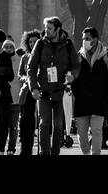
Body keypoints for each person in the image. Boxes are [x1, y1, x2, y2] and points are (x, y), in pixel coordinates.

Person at [27, 15, 79, 155]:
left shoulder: (68, 45)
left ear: (58, 29)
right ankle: (44, 151)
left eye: (50, 29)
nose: (46, 31)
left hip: (61, 91)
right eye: (46, 28)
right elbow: (31, 67)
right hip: (44, 90)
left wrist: (72, 75)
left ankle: (55, 151)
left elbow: (76, 65)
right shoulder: (40, 44)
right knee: (44, 123)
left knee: (58, 125)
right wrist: (33, 87)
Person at [70, 26, 108, 154]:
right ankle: (86, 153)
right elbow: (73, 77)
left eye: (87, 38)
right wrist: (76, 93)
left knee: (97, 130)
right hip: (81, 101)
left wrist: (106, 97)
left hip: (99, 101)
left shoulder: (106, 56)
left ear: (95, 39)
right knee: (81, 133)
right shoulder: (78, 56)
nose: (84, 41)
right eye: (83, 38)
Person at [16, 29, 41, 155]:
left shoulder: (44, 56)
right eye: (30, 42)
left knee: (42, 123)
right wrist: (26, 78)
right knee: (27, 123)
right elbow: (19, 74)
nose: (32, 44)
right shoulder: (25, 57)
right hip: (27, 93)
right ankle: (25, 150)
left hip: (41, 92)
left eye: (35, 41)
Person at [2, 39, 20, 153]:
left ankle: (11, 148)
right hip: (3, 98)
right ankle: (2, 146)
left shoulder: (19, 60)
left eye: (10, 47)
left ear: (14, 48)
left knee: (13, 126)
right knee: (2, 126)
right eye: (6, 47)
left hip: (15, 98)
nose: (8, 49)